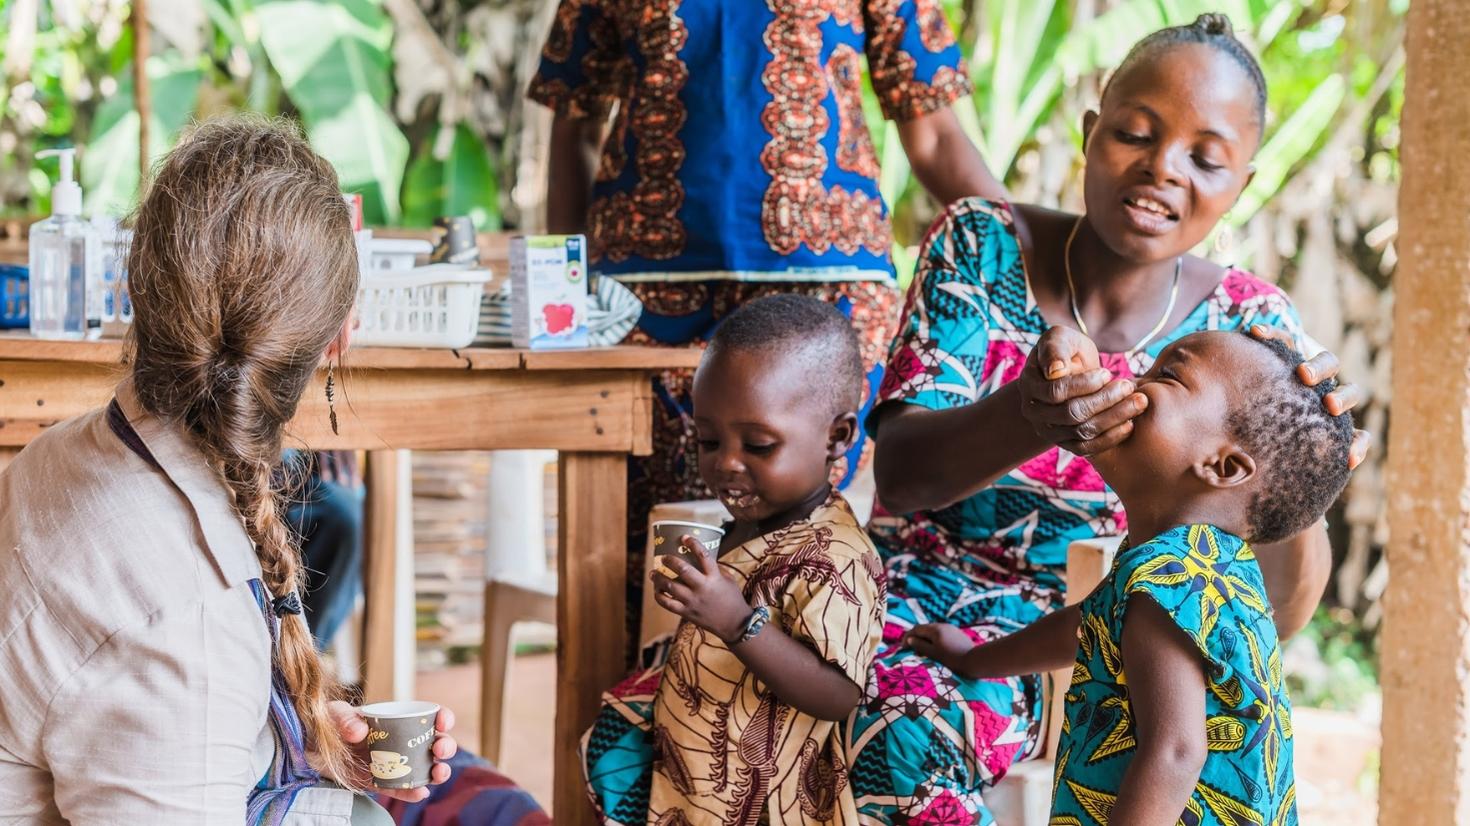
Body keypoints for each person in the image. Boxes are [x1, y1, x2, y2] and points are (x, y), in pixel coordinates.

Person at [844, 14, 1370, 823]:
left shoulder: (1251, 332)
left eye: (1206, 157)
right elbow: (905, 478)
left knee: (894, 729)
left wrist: (1302, 484)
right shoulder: (982, 245)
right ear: (1092, 134)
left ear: (1244, 184)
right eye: (1134, 132)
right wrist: (1031, 416)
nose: (1162, 168)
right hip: (913, 595)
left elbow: (1264, 614)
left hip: (1101, 649)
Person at [0, 117, 456, 824]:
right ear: (341, 337)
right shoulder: (186, 620)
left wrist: (298, 735)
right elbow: (166, 673)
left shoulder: (61, 455)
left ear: (136, 290)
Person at [528, 0, 1008, 656]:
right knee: (651, 556)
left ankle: (791, 741)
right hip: (644, 301)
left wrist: (1027, 248)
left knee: (796, 542)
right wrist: (567, 288)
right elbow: (575, 123)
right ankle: (637, 731)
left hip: (827, 291)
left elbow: (933, 134)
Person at [905, 328, 1355, 825]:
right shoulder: (1207, 564)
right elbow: (1086, 627)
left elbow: (1177, 753)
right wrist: (976, 659)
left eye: (1166, 376)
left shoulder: (1169, 581)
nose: (1130, 384)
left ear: (1221, 466)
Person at [581, 296, 885, 825]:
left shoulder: (836, 557)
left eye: (760, 445)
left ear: (837, 437)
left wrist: (733, 619)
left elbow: (838, 693)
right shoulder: (744, 528)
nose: (725, 463)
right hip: (694, 781)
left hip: (770, 797)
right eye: (708, 439)